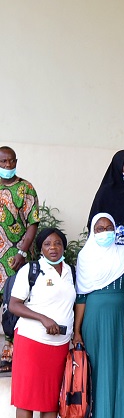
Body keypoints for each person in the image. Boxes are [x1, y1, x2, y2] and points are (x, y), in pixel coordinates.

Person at [8, 228, 74, 418]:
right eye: (47, 244)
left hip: (59, 344)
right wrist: (43, 318)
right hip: (31, 340)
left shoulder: (70, 271)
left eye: (57, 243)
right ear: (40, 249)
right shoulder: (31, 270)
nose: (53, 248)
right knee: (26, 395)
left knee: (51, 397)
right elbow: (14, 305)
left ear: (63, 247)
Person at [73, 214, 124, 418]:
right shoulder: (85, 257)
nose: (105, 232)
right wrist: (77, 331)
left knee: (122, 370)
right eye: (99, 228)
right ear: (92, 231)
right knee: (95, 372)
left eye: (109, 227)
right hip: (93, 319)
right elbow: (81, 296)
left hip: (123, 319)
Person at [0, 145, 40, 369]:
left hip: (17, 257)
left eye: (11, 161)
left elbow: (33, 223)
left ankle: (11, 354)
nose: (8, 165)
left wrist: (23, 251)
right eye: (3, 161)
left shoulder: (26, 188)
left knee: (14, 302)